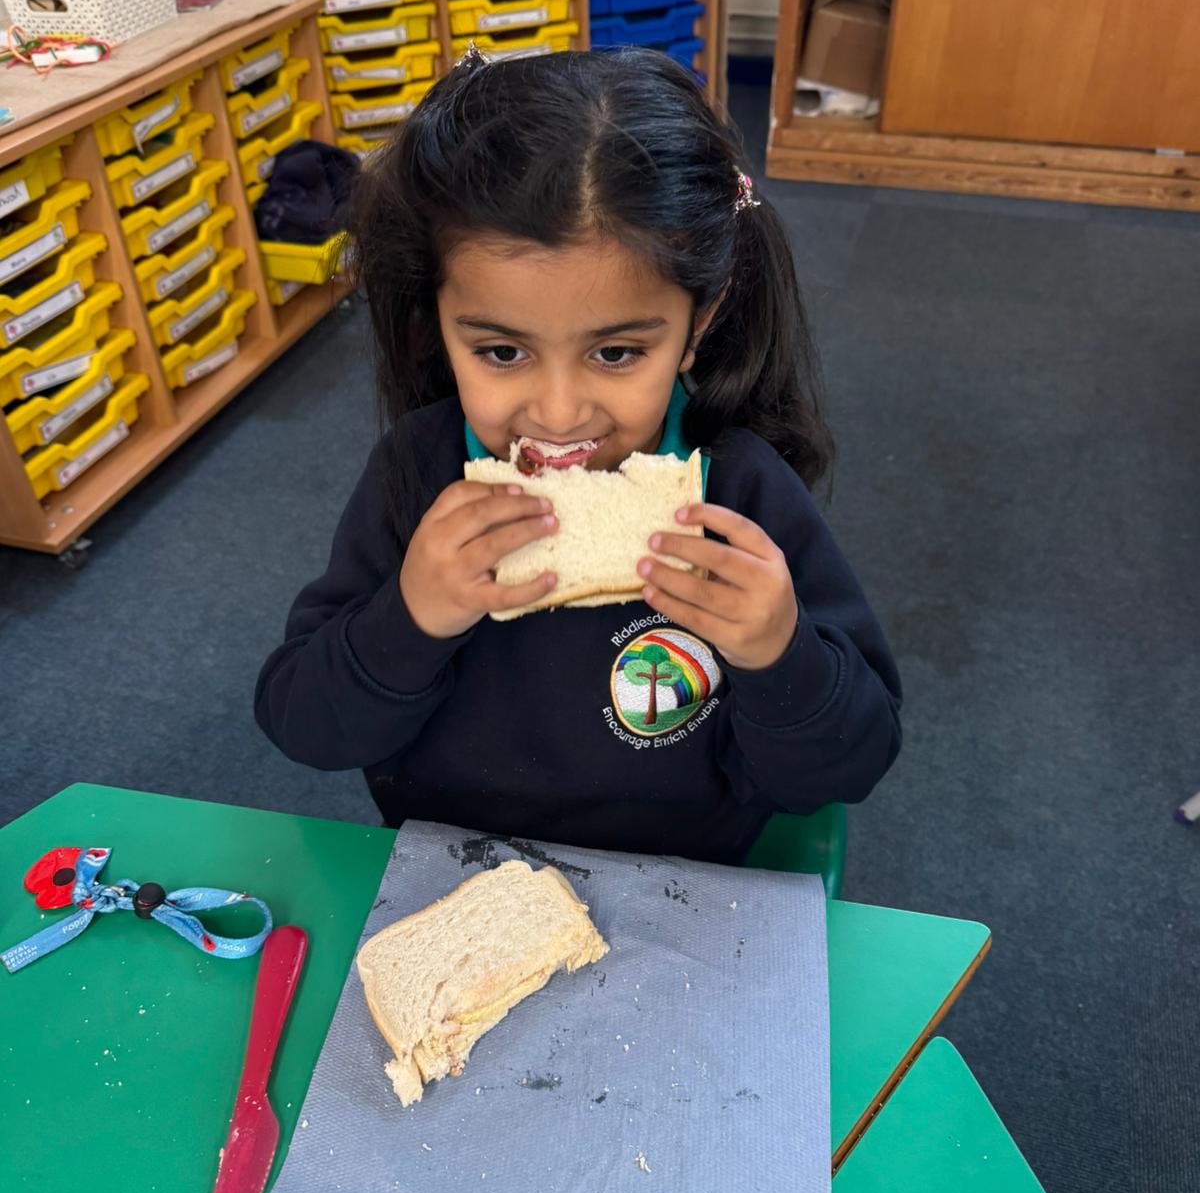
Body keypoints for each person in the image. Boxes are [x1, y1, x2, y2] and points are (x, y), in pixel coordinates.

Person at [254, 47, 901, 864]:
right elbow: (302, 725)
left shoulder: (739, 494)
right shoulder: (416, 476)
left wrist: (780, 654)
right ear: (439, 322)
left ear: (697, 326)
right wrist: (408, 618)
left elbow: (852, 761)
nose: (558, 414)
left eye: (617, 353)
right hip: (460, 877)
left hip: (690, 882)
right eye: (501, 352)